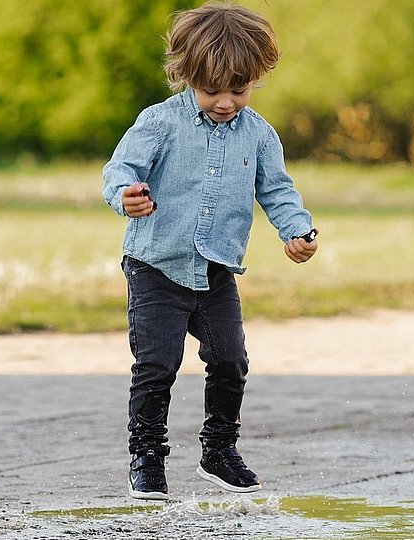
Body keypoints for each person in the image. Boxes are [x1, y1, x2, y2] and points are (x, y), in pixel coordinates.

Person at [101, 2, 318, 500]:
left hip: (217, 268)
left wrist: (297, 230)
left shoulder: (260, 134)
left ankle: (219, 451)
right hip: (156, 265)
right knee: (157, 362)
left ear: (255, 79)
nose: (225, 102)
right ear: (186, 75)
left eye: (237, 90)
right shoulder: (159, 123)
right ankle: (147, 457)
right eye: (212, 90)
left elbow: (277, 191)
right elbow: (120, 170)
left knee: (231, 360)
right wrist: (126, 195)